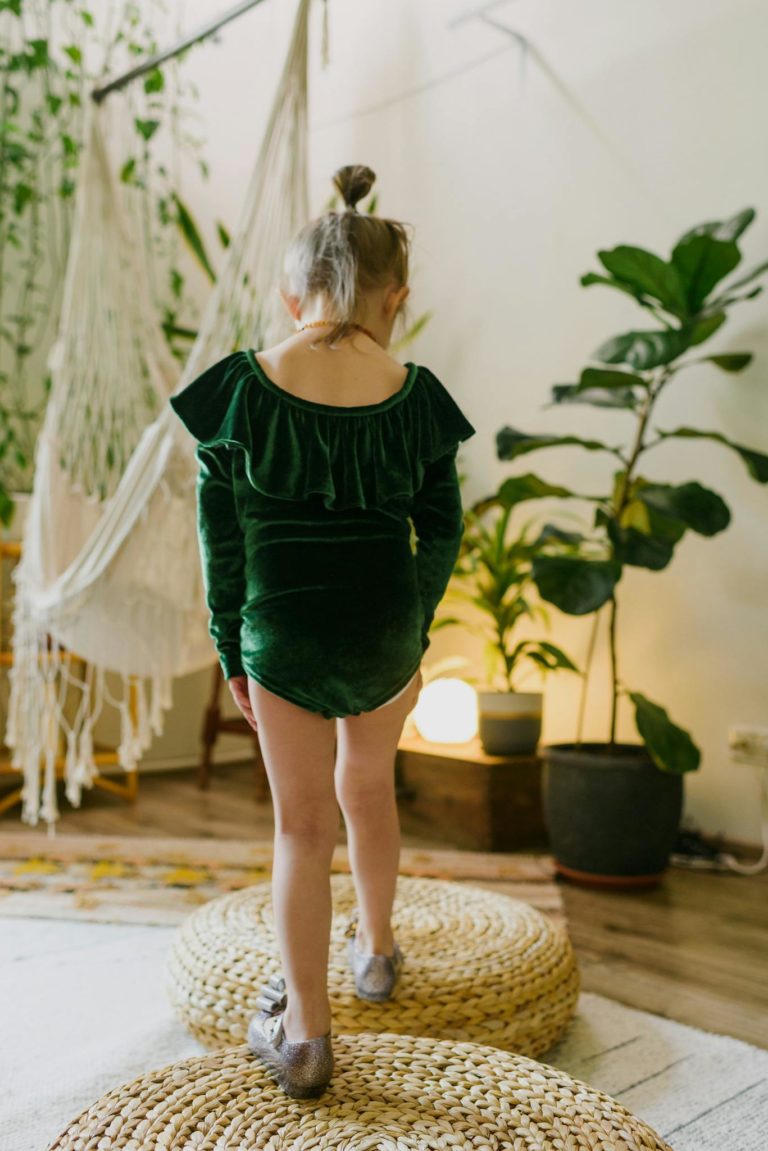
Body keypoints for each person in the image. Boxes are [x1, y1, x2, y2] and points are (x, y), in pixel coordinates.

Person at [169, 163, 476, 1099]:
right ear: (398, 298)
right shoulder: (416, 392)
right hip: (381, 633)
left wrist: (231, 647)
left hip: (284, 639)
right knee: (368, 791)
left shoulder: (243, 391)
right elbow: (444, 528)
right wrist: (413, 628)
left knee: (301, 830)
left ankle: (306, 1033)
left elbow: (219, 542)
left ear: (289, 293)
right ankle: (377, 949)